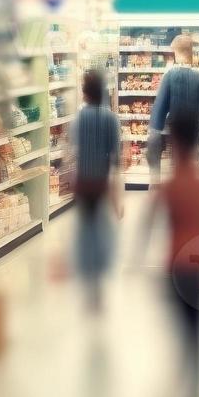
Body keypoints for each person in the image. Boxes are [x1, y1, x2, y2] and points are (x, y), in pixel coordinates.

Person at [143, 110, 199, 397]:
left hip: (174, 266)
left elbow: (147, 226)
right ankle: (195, 396)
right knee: (198, 336)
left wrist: (137, 262)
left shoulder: (168, 186)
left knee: (180, 334)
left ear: (173, 145)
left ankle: (179, 391)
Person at [74, 67, 123, 313]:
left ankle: (88, 280)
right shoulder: (111, 119)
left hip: (83, 185)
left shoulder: (79, 119)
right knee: (102, 232)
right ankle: (99, 280)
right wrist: (117, 198)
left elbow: (72, 154)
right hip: (102, 185)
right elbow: (116, 162)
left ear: (84, 92)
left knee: (85, 232)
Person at [146, 34, 199, 171]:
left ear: (176, 52)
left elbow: (160, 107)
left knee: (176, 165)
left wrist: (154, 131)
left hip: (175, 131)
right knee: (191, 166)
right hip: (195, 132)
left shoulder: (170, 76)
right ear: (191, 53)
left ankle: (167, 185)